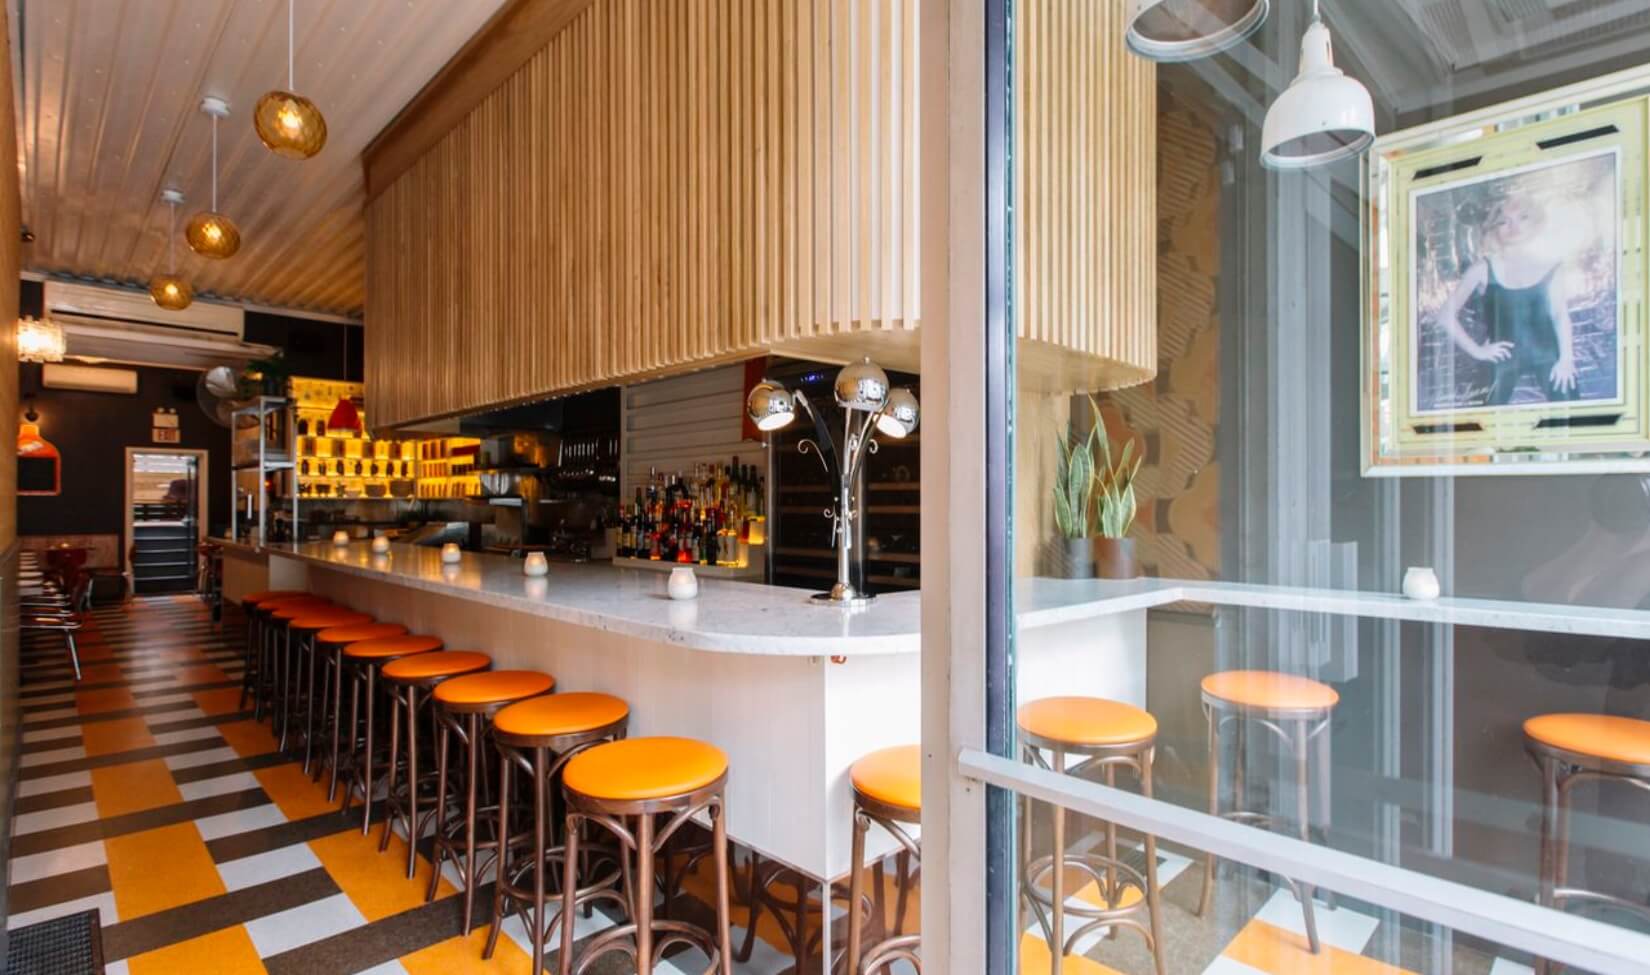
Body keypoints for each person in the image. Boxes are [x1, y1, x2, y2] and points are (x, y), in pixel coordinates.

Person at [1435, 195, 1580, 405]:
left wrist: (1566, 359)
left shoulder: (1551, 265)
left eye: (1523, 218)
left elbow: (1559, 313)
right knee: (1479, 427)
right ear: (1494, 229)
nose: (1513, 227)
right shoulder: (1483, 268)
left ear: (1536, 223)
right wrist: (1478, 351)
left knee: (1575, 419)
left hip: (1548, 354)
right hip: (1501, 359)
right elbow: (1444, 315)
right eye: (1503, 221)